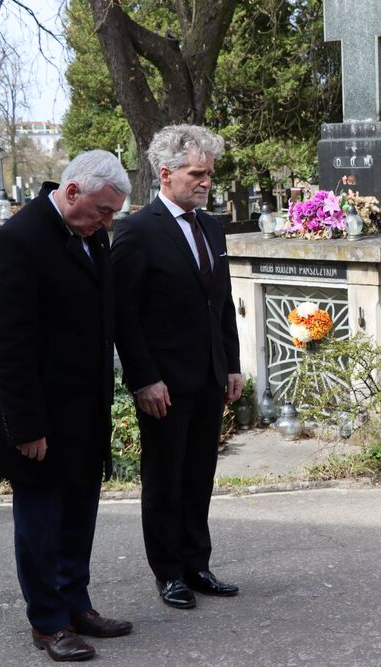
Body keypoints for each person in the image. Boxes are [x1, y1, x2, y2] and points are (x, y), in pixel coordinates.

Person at [0, 150, 132, 662]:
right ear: (71, 192)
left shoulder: (93, 235)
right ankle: (48, 623)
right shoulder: (17, 242)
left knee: (78, 520)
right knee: (41, 526)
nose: (107, 223)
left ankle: (75, 604)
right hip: (40, 418)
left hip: (85, 412)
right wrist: (26, 424)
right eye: (103, 211)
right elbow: (7, 345)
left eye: (112, 214)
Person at [112, 124, 243, 610]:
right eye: (195, 174)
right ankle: (168, 573)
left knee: (198, 476)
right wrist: (144, 378)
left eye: (208, 173)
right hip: (163, 383)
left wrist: (232, 364)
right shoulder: (137, 229)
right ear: (165, 174)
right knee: (165, 479)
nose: (205, 182)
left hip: (208, 376)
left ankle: (196, 564)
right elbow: (124, 315)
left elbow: (221, 304)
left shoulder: (211, 226)